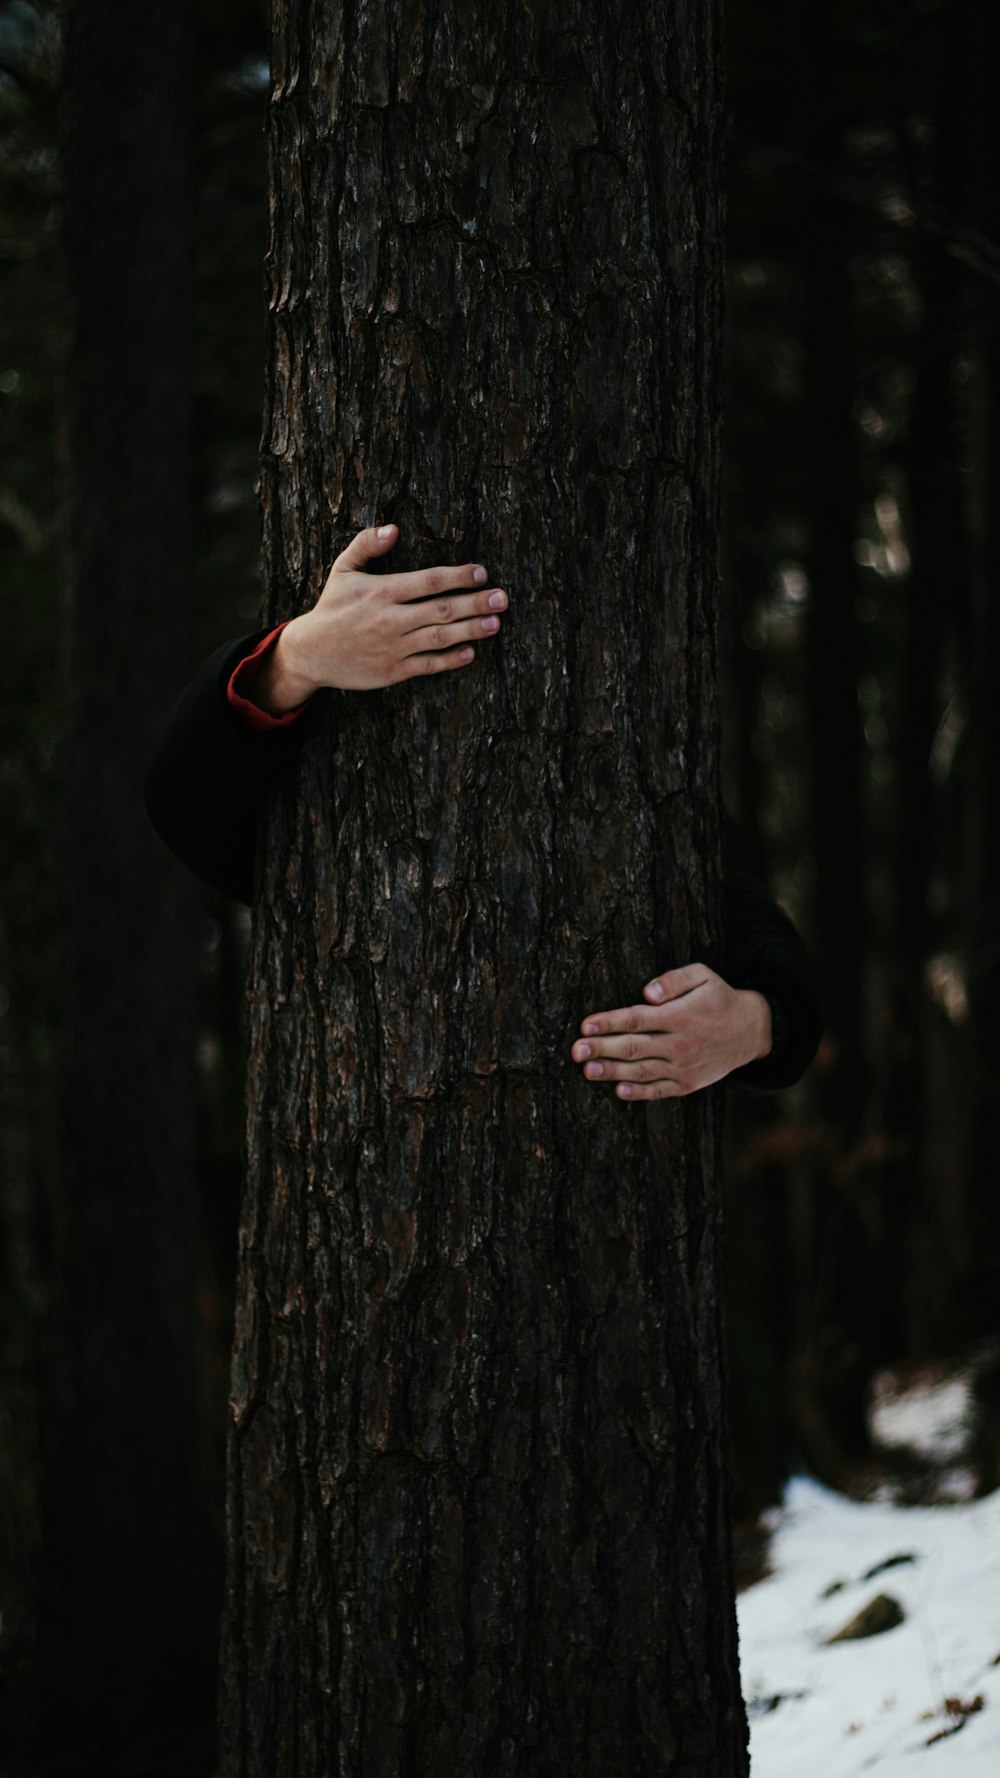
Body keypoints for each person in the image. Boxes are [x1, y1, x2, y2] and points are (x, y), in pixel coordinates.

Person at [145, 523, 821, 1097]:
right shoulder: (313, 798)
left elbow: (771, 955)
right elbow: (182, 805)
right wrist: (294, 660)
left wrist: (754, 1026)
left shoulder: (654, 790)